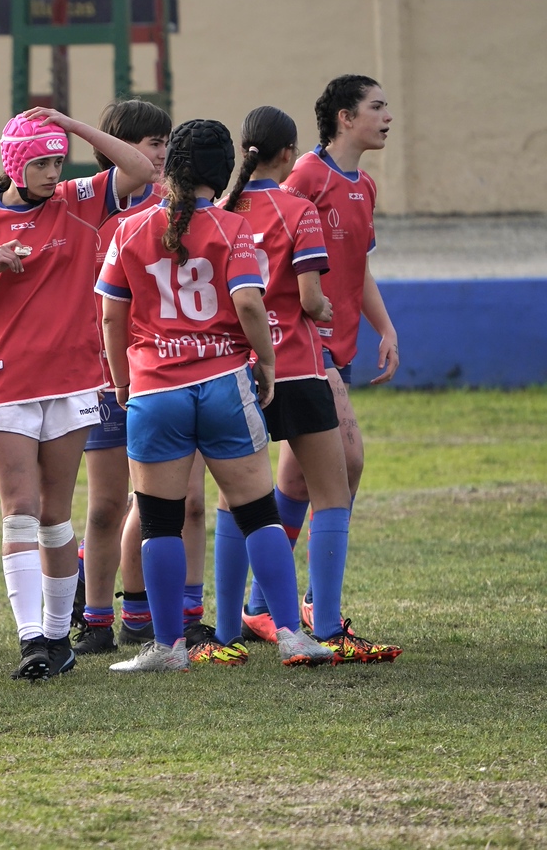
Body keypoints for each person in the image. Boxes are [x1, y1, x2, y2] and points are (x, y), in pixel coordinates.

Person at [95, 119, 336, 672]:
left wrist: (123, 381)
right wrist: (267, 363)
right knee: (259, 514)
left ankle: (167, 647)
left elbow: (110, 314)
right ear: (222, 171)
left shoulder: (129, 229)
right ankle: (292, 636)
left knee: (159, 521)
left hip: (156, 391)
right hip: (224, 385)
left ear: (171, 169)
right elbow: (249, 303)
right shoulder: (232, 227)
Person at [0, 109, 155, 681]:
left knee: (56, 516)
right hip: (3, 382)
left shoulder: (77, 200)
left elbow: (139, 169)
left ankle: (58, 640)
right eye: (41, 163)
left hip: (73, 381)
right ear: (14, 165)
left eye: (58, 161)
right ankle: (30, 637)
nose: (53, 172)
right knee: (19, 510)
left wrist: (70, 125)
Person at [219, 107, 401, 663]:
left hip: (233, 369)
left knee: (236, 502)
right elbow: (309, 297)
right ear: (287, 154)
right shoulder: (298, 207)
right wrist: (321, 311)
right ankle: (325, 625)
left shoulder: (219, 213)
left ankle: (226, 630)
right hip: (295, 366)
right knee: (333, 494)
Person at [63, 100, 174, 658]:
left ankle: (138, 614)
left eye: (165, 142)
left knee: (153, 500)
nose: (161, 153)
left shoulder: (169, 205)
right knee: (106, 504)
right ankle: (95, 620)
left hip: (155, 371)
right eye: (152, 142)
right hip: (99, 374)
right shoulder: (87, 203)